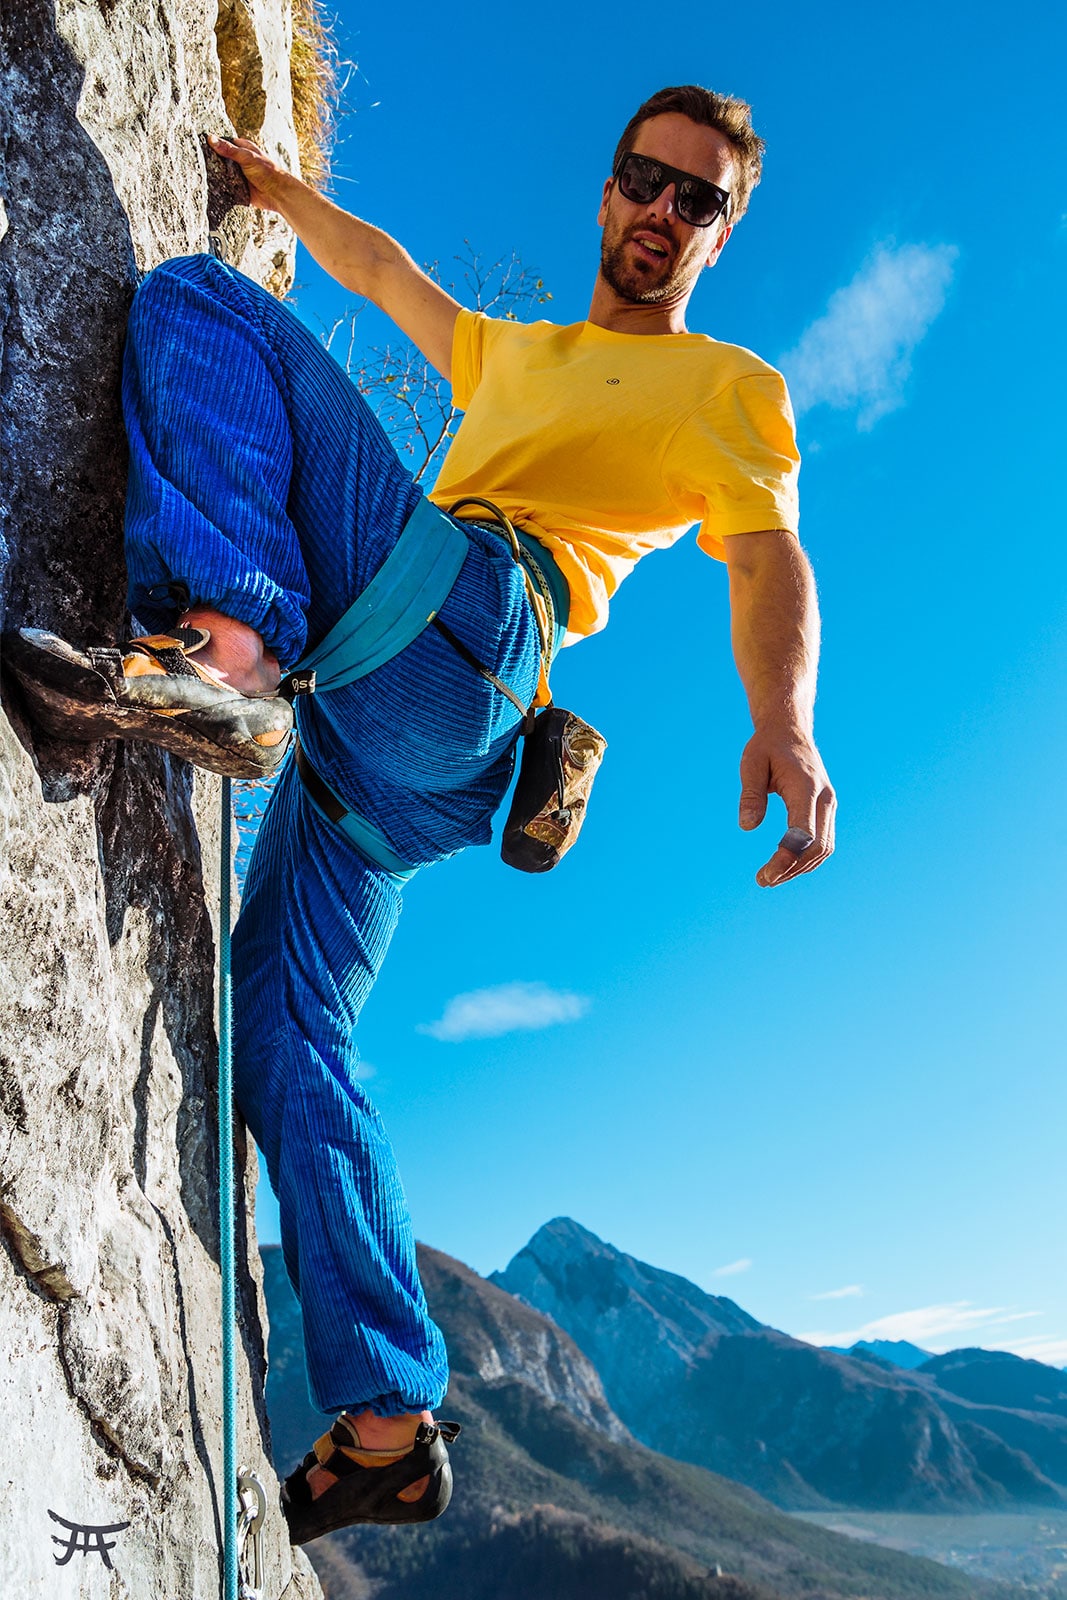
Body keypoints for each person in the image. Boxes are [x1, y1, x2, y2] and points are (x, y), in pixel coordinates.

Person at [6, 84, 835, 1543]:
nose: (659, 208)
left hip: (474, 628)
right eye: (643, 176)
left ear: (722, 229)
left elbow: (767, 560)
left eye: (693, 197)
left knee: (200, 304)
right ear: (605, 189)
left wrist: (785, 721)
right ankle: (390, 1416)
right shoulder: (517, 356)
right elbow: (386, 273)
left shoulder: (728, 392)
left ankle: (231, 650)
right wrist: (274, 187)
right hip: (409, 758)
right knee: (283, 1034)